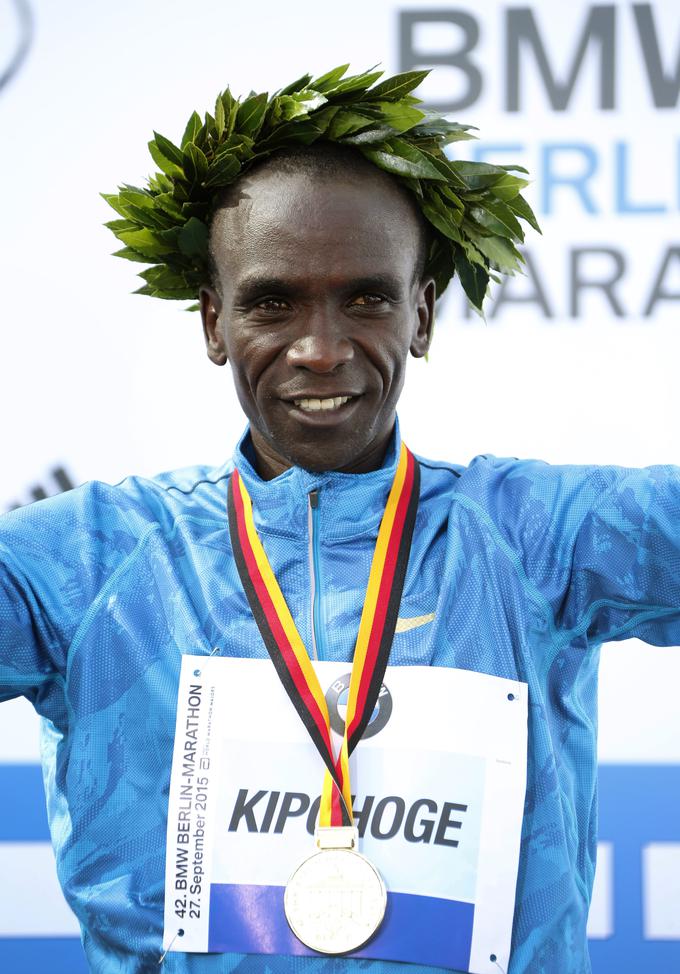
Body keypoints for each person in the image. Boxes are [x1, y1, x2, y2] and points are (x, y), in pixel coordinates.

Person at [0, 66, 678, 974]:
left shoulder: (537, 536)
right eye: (273, 302)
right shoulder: (86, 561)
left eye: (367, 297)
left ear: (422, 315)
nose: (321, 350)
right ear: (213, 322)